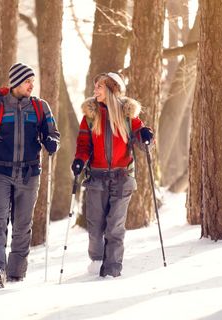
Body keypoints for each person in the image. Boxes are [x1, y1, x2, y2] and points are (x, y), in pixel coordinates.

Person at [0, 62, 60, 288]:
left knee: (22, 225)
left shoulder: (40, 107)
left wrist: (52, 142)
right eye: (28, 81)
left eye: (32, 81)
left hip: (29, 173)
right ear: (16, 82)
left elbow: (53, 132)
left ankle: (16, 273)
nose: (32, 85)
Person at [72, 72, 154, 278]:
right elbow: (83, 144)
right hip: (96, 178)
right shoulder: (90, 116)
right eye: (95, 86)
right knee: (95, 227)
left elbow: (143, 141)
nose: (95, 90)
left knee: (115, 226)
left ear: (111, 89)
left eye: (99, 86)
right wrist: (80, 160)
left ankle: (112, 270)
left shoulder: (128, 116)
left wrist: (146, 137)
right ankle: (97, 260)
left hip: (122, 177)